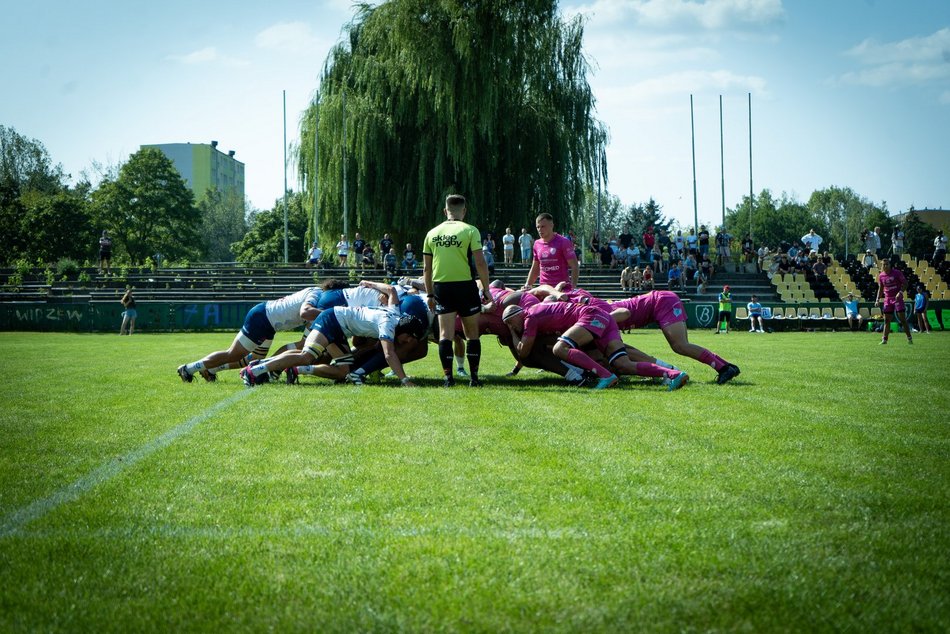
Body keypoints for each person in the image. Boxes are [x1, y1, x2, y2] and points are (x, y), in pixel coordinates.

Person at [242, 281, 420, 387]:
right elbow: (389, 354)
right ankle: (254, 370)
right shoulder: (388, 324)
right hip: (332, 319)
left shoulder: (396, 313)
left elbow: (391, 290)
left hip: (339, 324)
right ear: (403, 330)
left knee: (343, 371)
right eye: (410, 337)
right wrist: (404, 380)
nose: (409, 341)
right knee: (307, 355)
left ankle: (267, 364)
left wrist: (368, 283)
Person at [177, 286, 322, 382]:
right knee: (233, 354)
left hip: (268, 320)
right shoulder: (317, 294)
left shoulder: (319, 296)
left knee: (256, 357)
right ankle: (188, 368)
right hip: (262, 318)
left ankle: (212, 368)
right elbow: (304, 320)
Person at [423, 194, 493, 387]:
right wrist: (486, 289)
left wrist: (430, 294)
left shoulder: (432, 233)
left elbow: (426, 269)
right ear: (464, 211)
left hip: (441, 287)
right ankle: (474, 378)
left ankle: (448, 378)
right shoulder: (470, 230)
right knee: (472, 333)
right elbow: (480, 262)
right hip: (465, 286)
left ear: (445, 211)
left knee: (445, 334)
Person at [609, 290, 741, 384]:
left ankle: (723, 368)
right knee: (682, 345)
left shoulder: (597, 314)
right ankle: (727, 366)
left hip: (661, 302)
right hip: (661, 300)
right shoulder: (601, 308)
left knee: (680, 345)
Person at [524, 213, 579, 290]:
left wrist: (573, 287)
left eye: (543, 226)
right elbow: (535, 267)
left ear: (551, 225)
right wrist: (527, 284)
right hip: (544, 289)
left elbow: (574, 266)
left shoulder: (563, 242)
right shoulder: (537, 244)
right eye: (538, 227)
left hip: (562, 289)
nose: (540, 229)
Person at [875, 258, 912, 345]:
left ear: (890, 265)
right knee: (886, 320)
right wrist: (877, 299)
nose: (885, 266)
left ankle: (909, 338)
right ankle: (884, 339)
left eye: (887, 264)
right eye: (883, 264)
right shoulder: (881, 276)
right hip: (887, 299)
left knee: (902, 319)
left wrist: (900, 292)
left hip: (897, 298)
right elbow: (880, 289)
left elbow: (905, 283)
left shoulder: (897, 273)